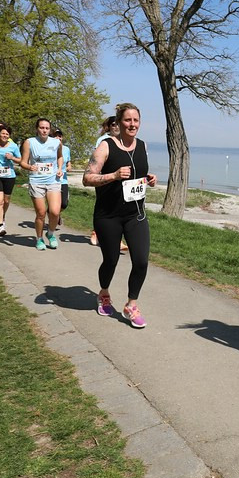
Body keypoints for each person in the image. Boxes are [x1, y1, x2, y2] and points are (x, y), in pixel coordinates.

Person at [83, 103, 157, 329]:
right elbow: (87, 178)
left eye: (136, 120)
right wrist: (113, 176)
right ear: (119, 122)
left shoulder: (142, 146)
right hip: (108, 216)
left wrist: (149, 179)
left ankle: (131, 305)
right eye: (128, 120)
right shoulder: (106, 147)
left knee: (142, 261)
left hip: (135, 215)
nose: (132, 124)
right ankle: (104, 293)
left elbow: (138, 175)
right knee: (111, 260)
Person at [20, 118, 64, 251]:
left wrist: (60, 168)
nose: (44, 130)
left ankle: (50, 233)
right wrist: (29, 167)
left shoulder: (56, 142)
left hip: (53, 181)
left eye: (47, 128)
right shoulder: (29, 142)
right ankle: (39, 239)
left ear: (49, 130)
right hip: (36, 181)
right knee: (41, 213)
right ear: (37, 129)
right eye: (41, 128)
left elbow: (60, 157)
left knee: (55, 212)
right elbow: (23, 162)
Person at [88, 116, 117, 247]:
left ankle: (117, 238)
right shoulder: (103, 141)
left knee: (117, 207)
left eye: (118, 124)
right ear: (109, 127)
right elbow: (96, 159)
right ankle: (96, 231)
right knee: (102, 206)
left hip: (119, 180)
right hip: (103, 179)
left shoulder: (124, 140)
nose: (116, 127)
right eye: (113, 125)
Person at [53, 128, 72, 228]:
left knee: (64, 204)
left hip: (63, 180)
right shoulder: (49, 148)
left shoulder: (66, 149)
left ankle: (57, 214)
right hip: (51, 180)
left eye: (59, 136)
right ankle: (53, 219)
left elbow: (69, 163)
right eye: (55, 136)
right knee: (53, 204)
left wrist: (69, 167)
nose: (58, 137)